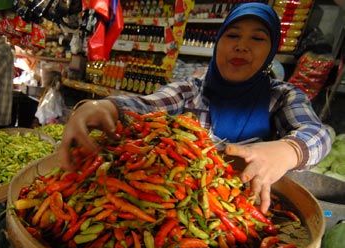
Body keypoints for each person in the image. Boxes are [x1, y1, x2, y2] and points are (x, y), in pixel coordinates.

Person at [58, 2, 333, 213]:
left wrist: (287, 151)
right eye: (232, 35)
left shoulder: (282, 97)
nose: (241, 47)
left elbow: (318, 134)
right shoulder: (192, 90)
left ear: (271, 52)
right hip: (182, 204)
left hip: (246, 207)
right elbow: (147, 105)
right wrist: (106, 107)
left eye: (258, 39)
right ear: (218, 43)